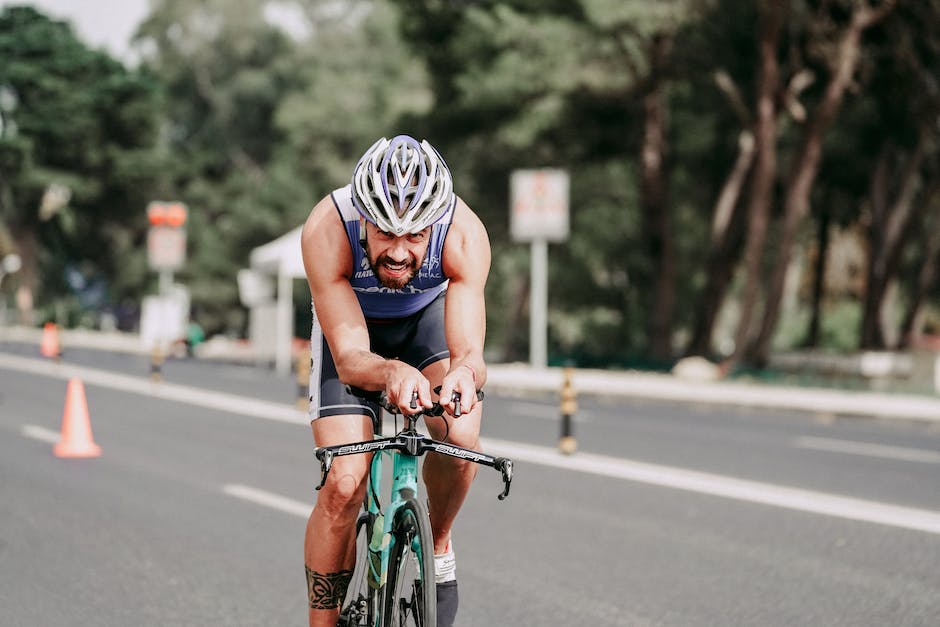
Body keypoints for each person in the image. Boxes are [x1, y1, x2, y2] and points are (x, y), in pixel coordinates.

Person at [300, 135, 490, 627]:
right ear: (363, 217)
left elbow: (471, 351)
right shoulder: (327, 229)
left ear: (436, 224)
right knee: (344, 482)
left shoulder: (463, 232)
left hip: (424, 319)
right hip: (355, 330)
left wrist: (465, 375)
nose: (400, 253)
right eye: (385, 234)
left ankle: (439, 542)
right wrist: (390, 371)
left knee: (461, 435)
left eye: (416, 236)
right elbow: (349, 359)